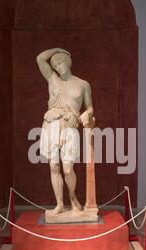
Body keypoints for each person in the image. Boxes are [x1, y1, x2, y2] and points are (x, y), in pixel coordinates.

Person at [36, 48, 94, 215]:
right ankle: (59, 204)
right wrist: (57, 50)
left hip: (70, 125)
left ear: (68, 62)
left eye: (60, 63)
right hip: (52, 123)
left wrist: (85, 113)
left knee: (68, 168)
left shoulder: (83, 84)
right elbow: (40, 58)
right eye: (55, 65)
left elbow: (90, 107)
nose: (58, 67)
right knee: (54, 166)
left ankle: (72, 196)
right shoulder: (52, 79)